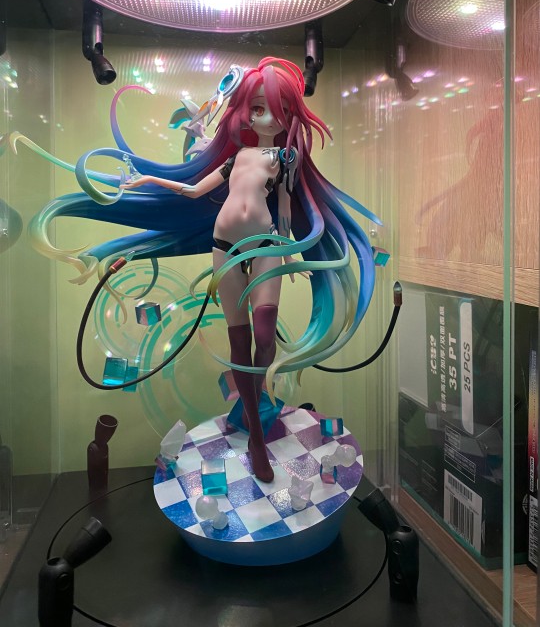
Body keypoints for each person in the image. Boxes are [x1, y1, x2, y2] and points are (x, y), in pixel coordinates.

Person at [23, 56, 381, 482]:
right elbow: (194, 190)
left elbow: (285, 207)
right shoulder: (237, 158)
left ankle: (254, 400)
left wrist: (291, 252)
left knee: (265, 338)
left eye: (279, 110)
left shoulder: (284, 157)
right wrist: (150, 180)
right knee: (239, 339)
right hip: (224, 247)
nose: (268, 118)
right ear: (245, 112)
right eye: (259, 108)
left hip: (265, 245)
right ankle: (254, 434)